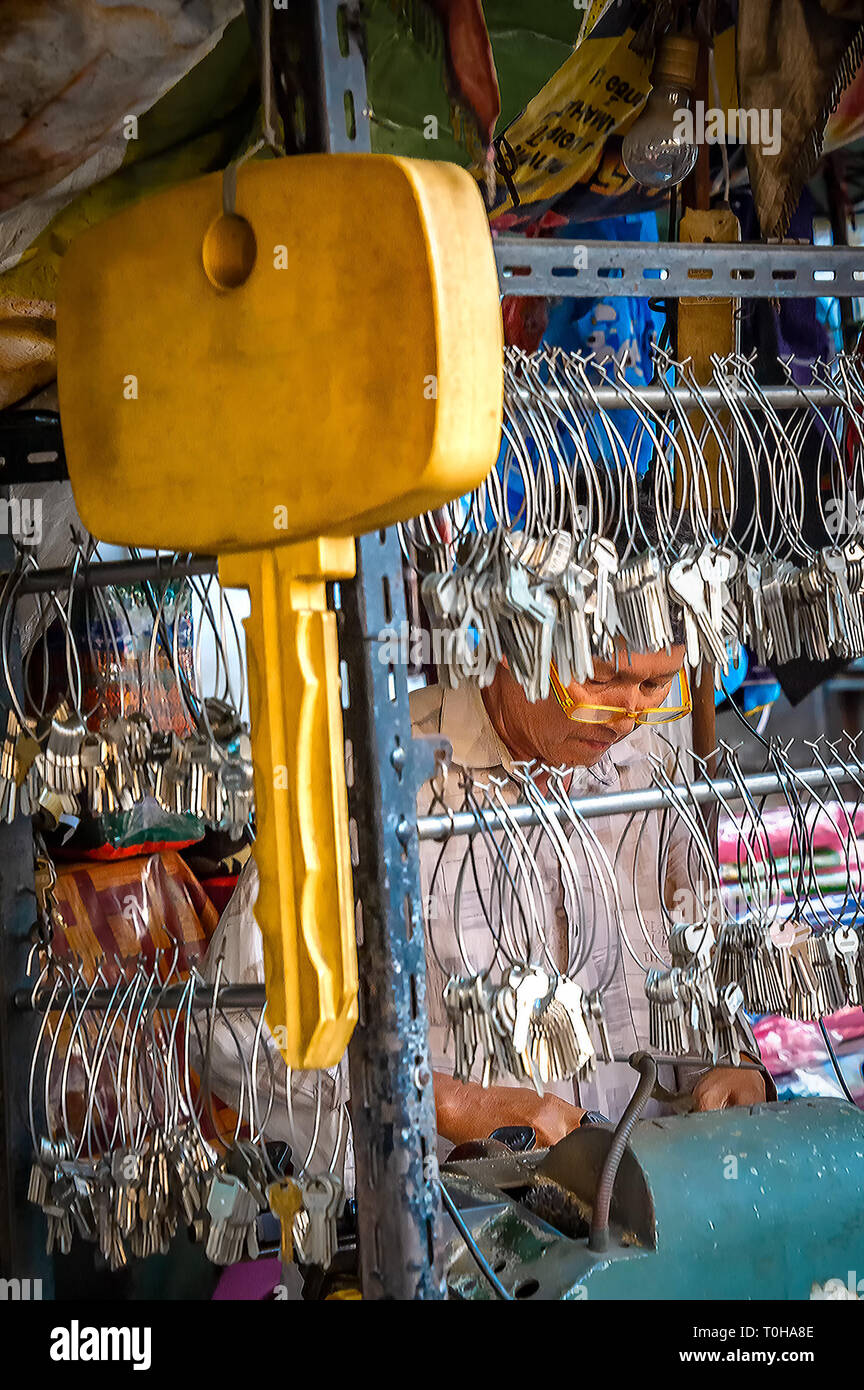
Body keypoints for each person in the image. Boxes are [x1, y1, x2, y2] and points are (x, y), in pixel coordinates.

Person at [413, 640, 773, 1150]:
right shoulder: (379, 782)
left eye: (652, 686)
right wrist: (457, 1104)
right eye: (602, 680)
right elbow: (275, 1064)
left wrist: (737, 1066)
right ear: (513, 643)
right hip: (467, 1216)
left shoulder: (650, 773)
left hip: (647, 1193)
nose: (626, 721)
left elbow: (703, 970)